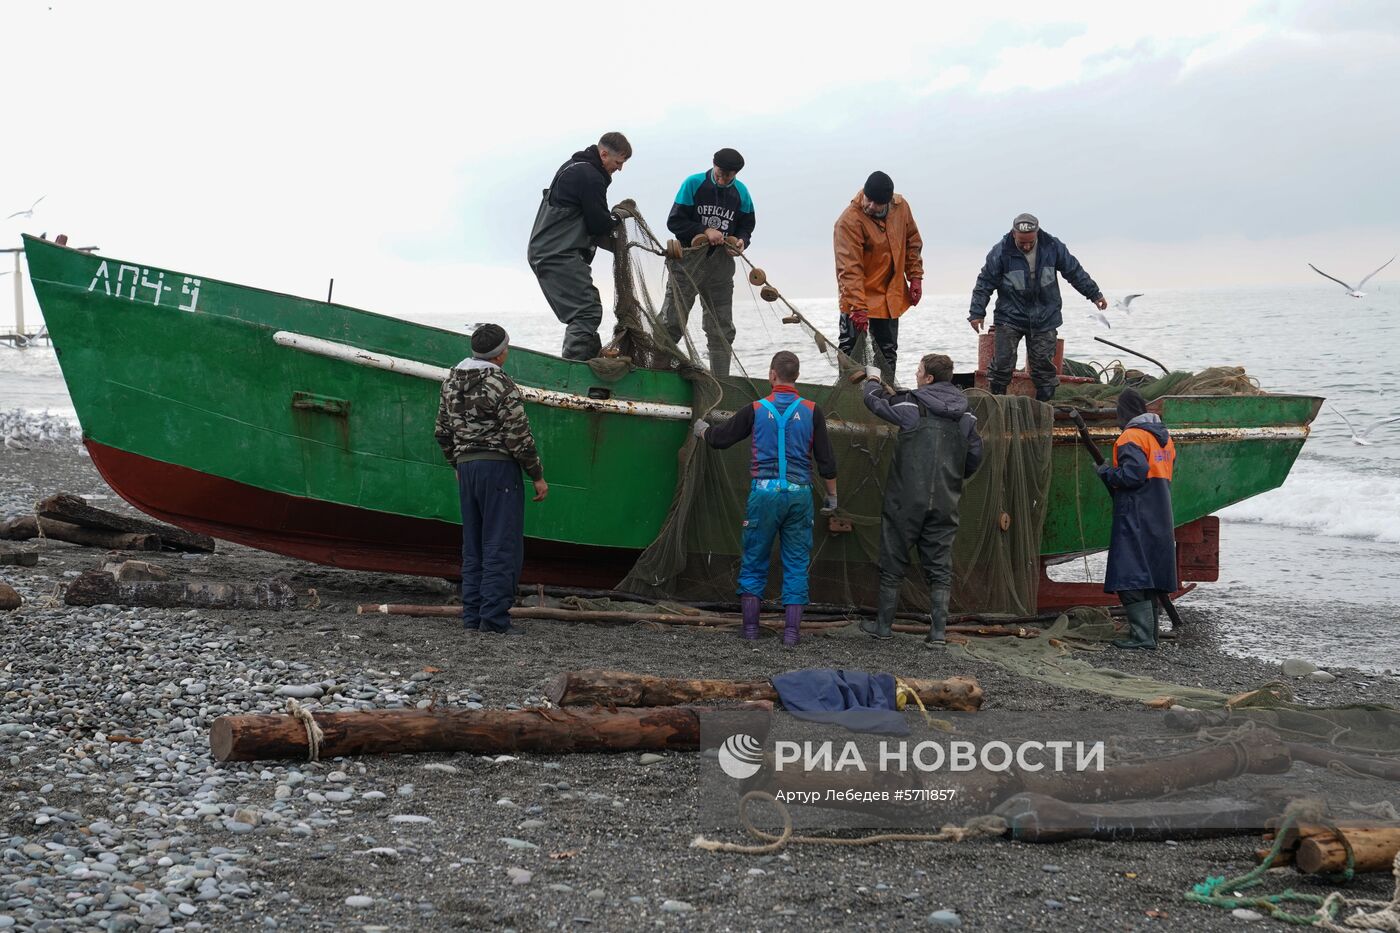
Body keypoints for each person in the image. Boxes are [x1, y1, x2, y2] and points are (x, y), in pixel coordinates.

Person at [694, 351, 838, 647]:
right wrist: (832, 497)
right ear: (796, 376)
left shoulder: (756, 409)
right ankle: (791, 634)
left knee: (754, 560)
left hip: (764, 494)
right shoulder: (812, 410)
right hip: (799, 496)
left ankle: (750, 632)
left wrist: (702, 431)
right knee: (797, 563)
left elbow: (721, 439)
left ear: (773, 375)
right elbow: (827, 461)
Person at [857, 354, 983, 647]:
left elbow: (874, 402)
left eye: (918, 371)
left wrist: (872, 380)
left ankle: (883, 627)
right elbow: (975, 456)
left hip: (905, 499)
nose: (915, 375)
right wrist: (953, 476)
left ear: (927, 378)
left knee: (893, 559)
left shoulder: (911, 404)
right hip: (945, 499)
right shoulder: (966, 415)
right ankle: (938, 633)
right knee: (939, 566)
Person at [434, 324, 549, 635]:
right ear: (501, 354)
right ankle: (495, 619)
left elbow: (442, 432)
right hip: (499, 469)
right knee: (501, 544)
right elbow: (519, 436)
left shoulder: (451, 383)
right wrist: (536, 475)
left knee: (473, 546)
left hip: (467, 468)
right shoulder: (501, 384)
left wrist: (456, 463)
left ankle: (472, 615)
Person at [967, 212, 1107, 402]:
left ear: (1037, 234)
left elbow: (1074, 271)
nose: (1026, 246)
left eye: (1030, 242)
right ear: (1013, 234)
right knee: (1002, 365)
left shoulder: (1052, 246)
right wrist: (977, 312)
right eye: (1021, 242)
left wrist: (1094, 294)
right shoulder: (1000, 252)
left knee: (1043, 367)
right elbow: (984, 283)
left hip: (1045, 317)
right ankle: (997, 405)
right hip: (1010, 317)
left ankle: (1044, 408)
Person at [527, 132, 632, 361]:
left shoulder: (574, 166)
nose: (620, 169)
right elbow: (597, 223)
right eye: (618, 163)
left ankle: (589, 360)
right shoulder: (590, 176)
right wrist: (617, 218)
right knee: (586, 312)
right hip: (557, 254)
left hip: (551, 251)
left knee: (587, 309)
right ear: (603, 154)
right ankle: (574, 371)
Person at [660, 148, 756, 377]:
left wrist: (742, 241)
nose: (723, 179)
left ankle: (720, 380)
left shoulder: (742, 193)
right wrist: (704, 230)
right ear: (713, 165)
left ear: (736, 174)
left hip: (721, 267)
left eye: (729, 176)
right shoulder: (693, 184)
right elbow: (674, 221)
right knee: (672, 320)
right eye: (721, 173)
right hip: (687, 261)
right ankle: (657, 370)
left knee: (721, 328)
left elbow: (747, 226)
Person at [1097, 388, 1177, 649]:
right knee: (1150, 575)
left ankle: (1142, 638)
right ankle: (1150, 636)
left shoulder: (1130, 437)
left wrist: (1107, 473)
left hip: (1136, 512)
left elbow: (1133, 475)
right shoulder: (1164, 439)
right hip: (1160, 513)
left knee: (1129, 573)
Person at [833, 171, 924, 384]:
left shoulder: (901, 208)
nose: (871, 206)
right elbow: (849, 268)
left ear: (888, 202)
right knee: (851, 355)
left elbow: (913, 242)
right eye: (868, 199)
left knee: (887, 353)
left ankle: (885, 399)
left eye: (877, 203)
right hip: (858, 300)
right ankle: (850, 402)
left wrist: (916, 277)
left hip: (890, 298)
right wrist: (858, 307)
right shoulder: (848, 221)